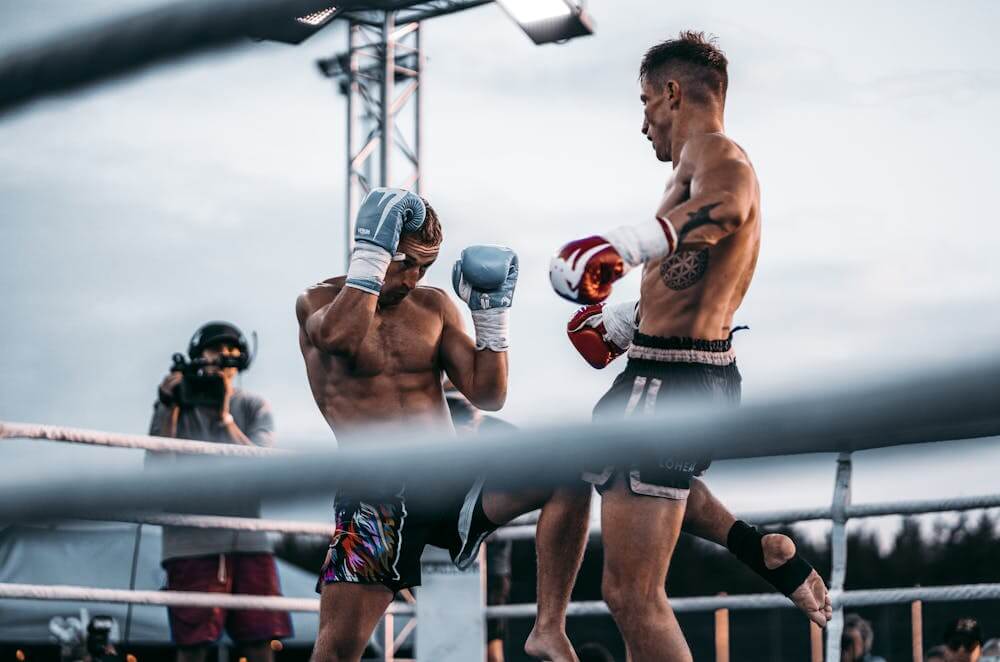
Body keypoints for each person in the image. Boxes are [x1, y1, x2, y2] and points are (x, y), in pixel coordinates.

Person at [549, 31, 830, 660]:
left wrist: (624, 246)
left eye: (646, 101)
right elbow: (691, 271)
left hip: (672, 380)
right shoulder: (689, 170)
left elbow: (725, 208)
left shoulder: (718, 157)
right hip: (672, 367)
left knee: (630, 593)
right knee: (594, 459)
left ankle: (549, 629)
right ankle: (754, 545)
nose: (643, 121)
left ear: (673, 94)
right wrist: (626, 321)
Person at [297, 189, 588, 662]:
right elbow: (341, 337)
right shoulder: (316, 303)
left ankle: (548, 628)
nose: (412, 278)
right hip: (375, 499)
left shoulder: (434, 307)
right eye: (403, 262)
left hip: (450, 479)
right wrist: (371, 262)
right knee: (336, 654)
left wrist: (491, 318)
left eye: (424, 267)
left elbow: (488, 394)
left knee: (569, 474)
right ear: (371, 249)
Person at [148, 321, 291, 662]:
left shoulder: (254, 406)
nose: (225, 357)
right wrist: (168, 406)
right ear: (198, 358)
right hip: (191, 542)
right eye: (216, 351)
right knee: (193, 646)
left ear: (242, 361)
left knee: (259, 640)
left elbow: (260, 468)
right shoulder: (175, 404)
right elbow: (156, 472)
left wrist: (224, 416)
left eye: (232, 352)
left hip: (249, 539)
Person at [443, 384, 517, 662]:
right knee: (445, 636)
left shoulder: (500, 435)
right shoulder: (429, 430)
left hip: (491, 551)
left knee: (490, 642)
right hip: (442, 550)